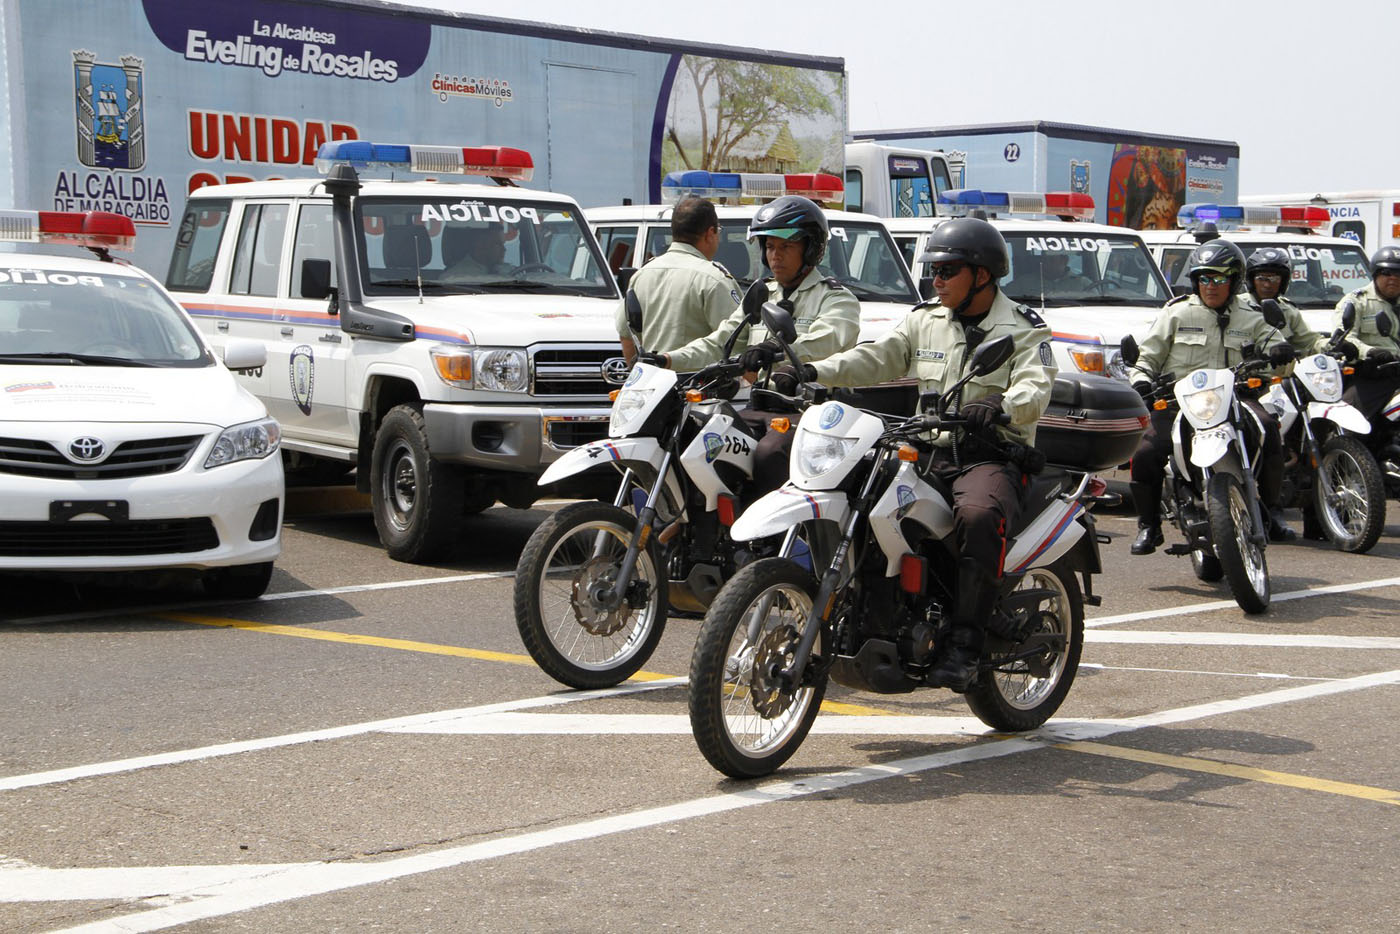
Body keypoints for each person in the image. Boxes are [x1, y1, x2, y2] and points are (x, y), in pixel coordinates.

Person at [779, 217, 1057, 692]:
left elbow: (1036, 386)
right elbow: (876, 356)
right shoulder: (924, 319)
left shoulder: (1022, 329)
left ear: (982, 275)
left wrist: (1001, 405)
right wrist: (810, 371)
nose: (937, 280)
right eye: (934, 270)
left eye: (948, 270)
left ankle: (966, 645)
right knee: (863, 494)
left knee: (978, 514)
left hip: (988, 455)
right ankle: (871, 613)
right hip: (928, 450)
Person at [645, 194, 860, 493]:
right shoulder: (761, 295)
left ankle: (771, 539)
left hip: (811, 414)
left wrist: (775, 350)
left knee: (769, 453)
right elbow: (720, 341)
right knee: (699, 440)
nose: (775, 256)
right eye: (770, 247)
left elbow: (827, 339)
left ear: (811, 249)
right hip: (759, 405)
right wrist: (666, 359)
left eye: (786, 247)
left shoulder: (835, 298)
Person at [1127, 239, 1299, 556]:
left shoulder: (1252, 315)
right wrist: (1140, 382)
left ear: (1234, 280)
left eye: (1219, 278)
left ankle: (1272, 510)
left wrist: (1282, 351)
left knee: (1270, 430)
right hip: (1182, 403)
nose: (1211, 286)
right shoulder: (1176, 314)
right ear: (1195, 281)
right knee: (1145, 452)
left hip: (1237, 399)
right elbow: (1147, 358)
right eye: (1204, 278)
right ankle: (1148, 525)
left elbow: (1284, 359)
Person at [616, 196, 740, 364]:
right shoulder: (713, 279)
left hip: (652, 384)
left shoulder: (641, 275)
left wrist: (639, 373)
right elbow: (736, 341)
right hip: (698, 386)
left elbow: (627, 336)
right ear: (710, 233)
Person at [1333, 245, 1400, 457]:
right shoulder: (1356, 301)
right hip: (1373, 374)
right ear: (1375, 273)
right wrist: (1370, 351)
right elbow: (1344, 336)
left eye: (1399, 273)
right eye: (1387, 273)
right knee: (1349, 420)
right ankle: (1347, 465)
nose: (1393, 278)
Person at [441, 223, 509, 279]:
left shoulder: (509, 270)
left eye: (502, 244)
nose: (504, 249)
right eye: (497, 244)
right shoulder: (453, 278)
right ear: (480, 245)